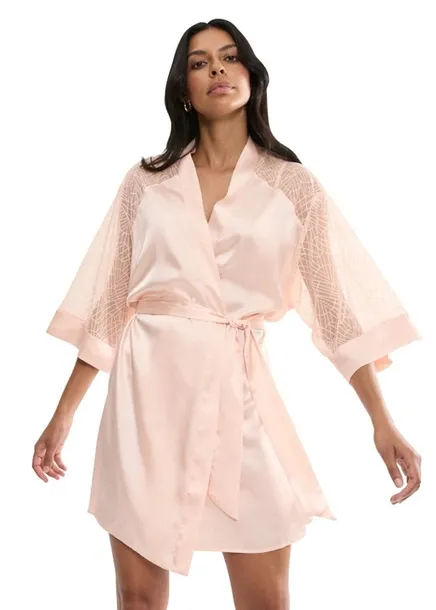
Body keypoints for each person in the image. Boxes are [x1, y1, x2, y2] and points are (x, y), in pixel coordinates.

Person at [33, 18, 422, 610]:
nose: (216, 67)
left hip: (238, 395)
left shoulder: (294, 186)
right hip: (145, 398)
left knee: (265, 597)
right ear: (184, 89)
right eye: (199, 62)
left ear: (251, 75)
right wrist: (63, 417)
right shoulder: (146, 183)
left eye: (230, 56)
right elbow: (108, 306)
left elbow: (337, 313)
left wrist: (382, 421)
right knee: (138, 598)